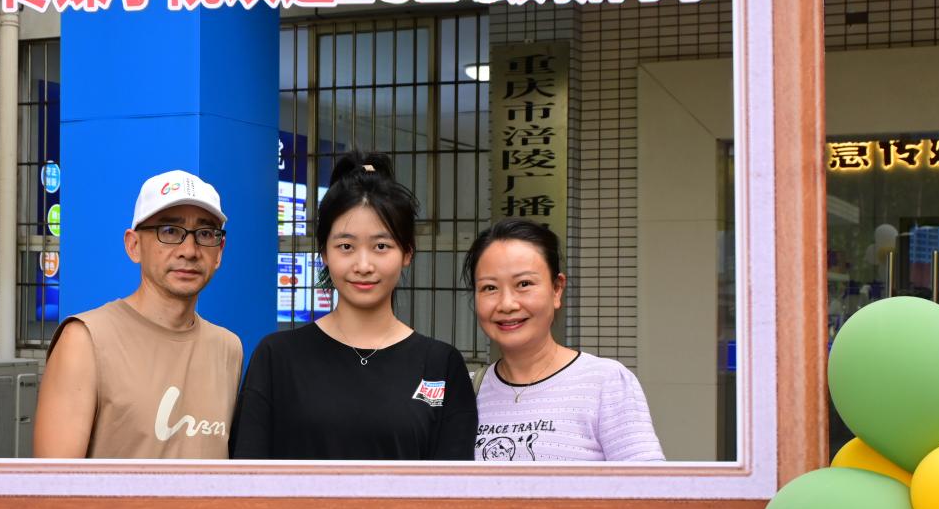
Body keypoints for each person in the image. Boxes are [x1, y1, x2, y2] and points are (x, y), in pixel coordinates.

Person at [230, 151, 475, 460]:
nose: (363, 265)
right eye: (346, 246)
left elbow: (455, 482)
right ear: (324, 253)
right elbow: (247, 474)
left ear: (407, 253)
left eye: (381, 246)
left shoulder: (441, 364)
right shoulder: (276, 357)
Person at [33, 170, 242, 458]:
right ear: (133, 245)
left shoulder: (228, 348)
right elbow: (53, 481)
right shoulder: (85, 340)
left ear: (219, 252)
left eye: (205, 234)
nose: (189, 250)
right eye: (170, 231)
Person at [463, 218, 664, 462]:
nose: (507, 304)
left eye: (524, 284)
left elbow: (647, 483)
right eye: (490, 288)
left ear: (557, 289)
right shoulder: (466, 390)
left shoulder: (605, 382)